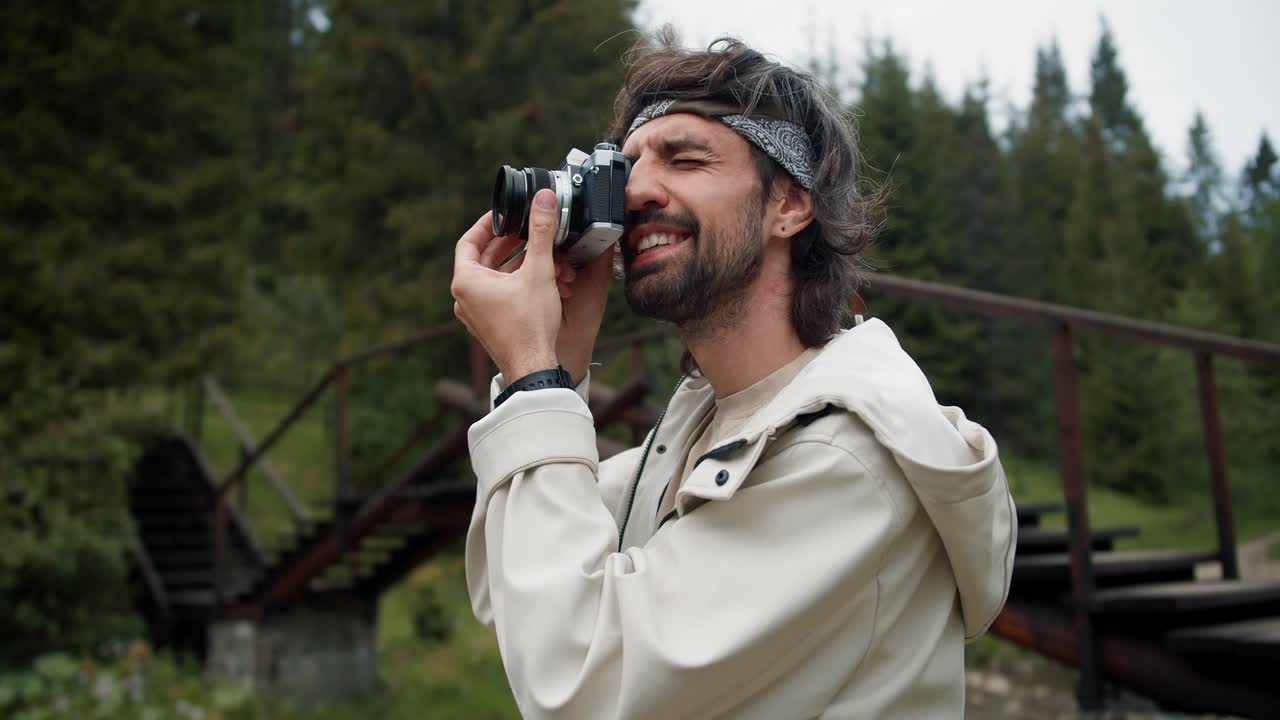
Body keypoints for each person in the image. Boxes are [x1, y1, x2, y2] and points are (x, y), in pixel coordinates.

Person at [450, 33, 1016, 719]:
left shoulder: (844, 461)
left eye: (685, 159)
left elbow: (577, 686)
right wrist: (555, 368)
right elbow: (515, 599)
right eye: (623, 170)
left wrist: (534, 381)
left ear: (789, 204)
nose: (637, 193)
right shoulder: (700, 430)